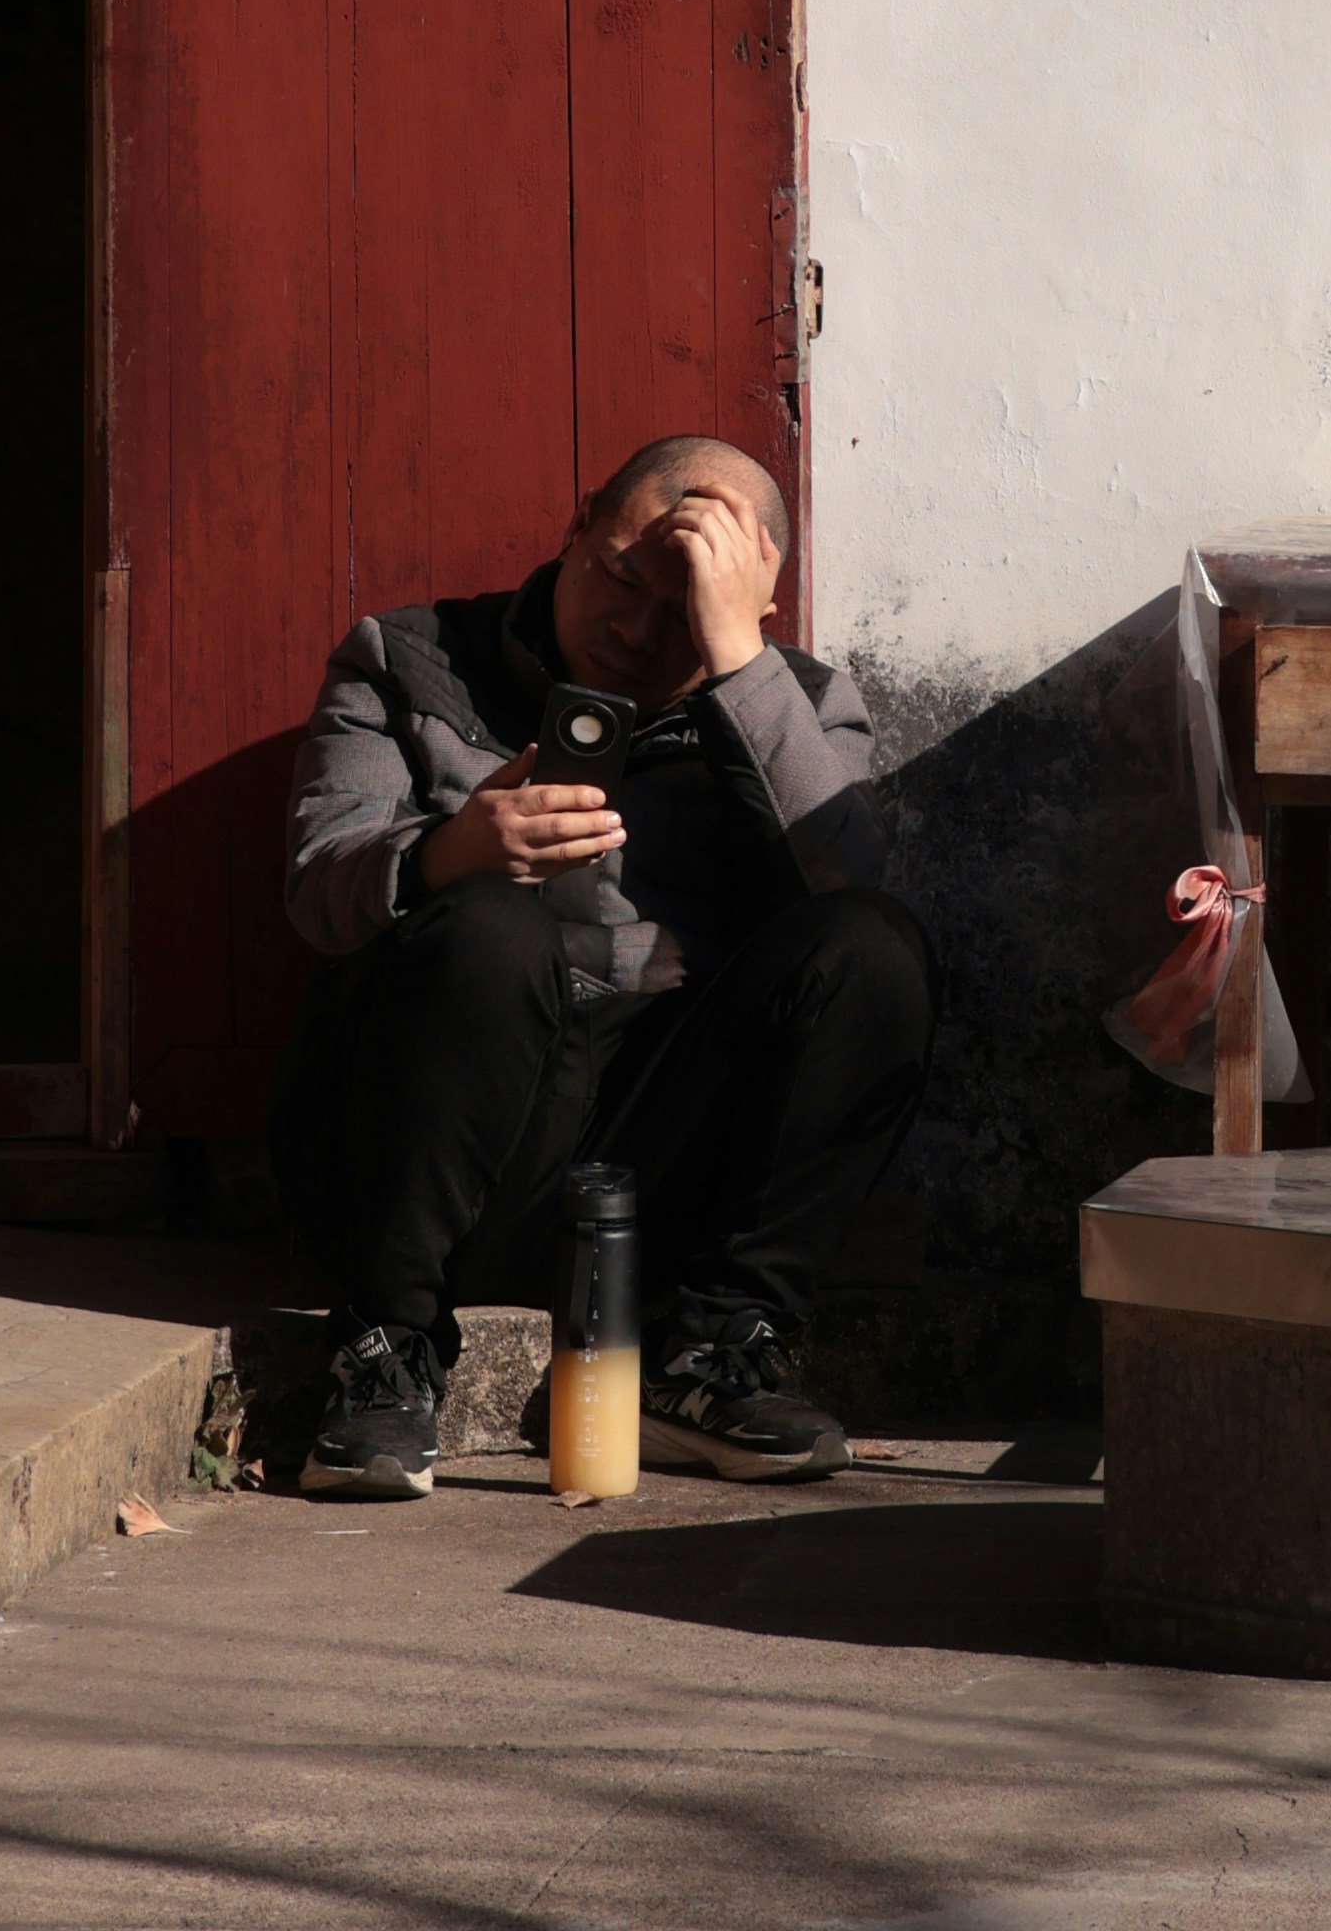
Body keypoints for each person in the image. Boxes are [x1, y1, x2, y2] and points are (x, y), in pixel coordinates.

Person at [272, 432, 934, 1504]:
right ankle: (386, 1348)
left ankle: (706, 1358)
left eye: (683, 610)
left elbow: (849, 879)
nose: (633, 629)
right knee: (492, 927)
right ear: (577, 523)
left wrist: (737, 660)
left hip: (655, 1167)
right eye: (619, 580)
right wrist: (452, 852)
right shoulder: (408, 659)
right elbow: (319, 887)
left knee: (874, 946)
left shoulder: (800, 701)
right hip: (445, 1157)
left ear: (751, 599)